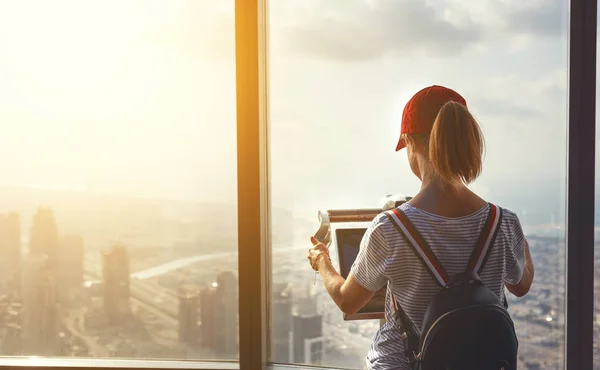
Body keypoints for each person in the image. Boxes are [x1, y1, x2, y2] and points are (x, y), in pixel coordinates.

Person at [307, 85, 535, 370]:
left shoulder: (389, 229)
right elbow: (521, 284)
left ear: (410, 142)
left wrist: (322, 261)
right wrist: (520, 240)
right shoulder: (504, 222)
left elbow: (347, 301)